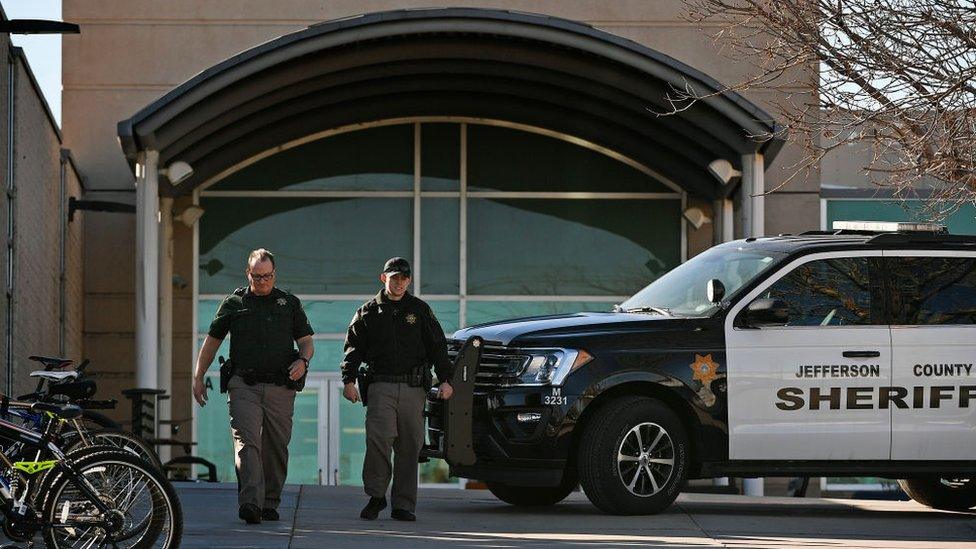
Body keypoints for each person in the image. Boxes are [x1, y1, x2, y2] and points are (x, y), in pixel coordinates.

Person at [192, 248, 314, 524]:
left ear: (275, 274)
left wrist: (303, 361)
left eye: (267, 276)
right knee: (247, 444)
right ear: (248, 273)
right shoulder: (234, 303)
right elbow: (212, 342)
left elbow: (306, 341)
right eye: (257, 276)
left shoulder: (289, 303)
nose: (262, 281)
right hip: (243, 385)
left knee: (276, 446)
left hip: (281, 387)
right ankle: (250, 503)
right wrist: (198, 376)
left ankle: (270, 502)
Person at [341, 257, 454, 522]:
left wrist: (446, 379)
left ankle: (403, 504)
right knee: (379, 440)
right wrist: (348, 381)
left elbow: (438, 347)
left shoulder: (420, 310)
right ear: (384, 278)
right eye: (394, 278)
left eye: (404, 278)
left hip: (414, 388)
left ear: (409, 280)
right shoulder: (367, 312)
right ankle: (376, 495)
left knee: (410, 446)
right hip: (381, 386)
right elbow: (353, 349)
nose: (399, 282)